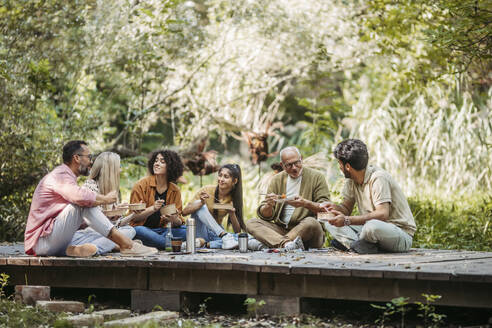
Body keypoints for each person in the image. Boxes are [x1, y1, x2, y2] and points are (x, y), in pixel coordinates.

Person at [24, 140, 157, 257]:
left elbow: (80, 221)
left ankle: (81, 250)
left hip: (59, 241)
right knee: (83, 204)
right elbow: (80, 198)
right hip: (42, 241)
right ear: (76, 158)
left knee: (127, 230)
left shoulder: (69, 178)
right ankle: (127, 245)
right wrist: (105, 199)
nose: (91, 161)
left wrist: (113, 216)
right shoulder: (59, 175)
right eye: (89, 157)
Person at [321, 139, 416, 254]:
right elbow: (346, 209)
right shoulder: (351, 181)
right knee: (330, 223)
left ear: (347, 166)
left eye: (339, 163)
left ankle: (355, 245)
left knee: (371, 226)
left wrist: (346, 220)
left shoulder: (378, 178)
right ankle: (361, 246)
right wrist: (334, 209)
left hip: (399, 234)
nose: (339, 167)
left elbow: (382, 214)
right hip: (370, 233)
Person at [246, 146, 329, 250]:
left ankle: (275, 243)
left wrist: (305, 203)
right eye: (289, 165)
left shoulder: (317, 177)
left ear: (301, 159)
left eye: (297, 163)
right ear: (282, 165)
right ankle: (287, 244)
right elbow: (265, 216)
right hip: (282, 230)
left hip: (307, 232)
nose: (294, 168)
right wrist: (268, 205)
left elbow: (326, 211)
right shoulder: (277, 180)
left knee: (312, 222)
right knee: (251, 223)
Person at [69, 152, 137, 255]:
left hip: (101, 235)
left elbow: (113, 226)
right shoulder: (89, 188)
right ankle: (99, 248)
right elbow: (87, 220)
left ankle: (112, 246)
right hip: (83, 235)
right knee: (121, 234)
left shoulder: (111, 191)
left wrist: (133, 214)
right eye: (118, 167)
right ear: (110, 170)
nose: (120, 170)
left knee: (130, 230)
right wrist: (108, 216)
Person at [129, 150, 187, 249]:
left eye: (162, 162)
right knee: (138, 231)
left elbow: (179, 221)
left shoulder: (175, 190)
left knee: (186, 231)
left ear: (171, 166)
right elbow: (133, 217)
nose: (157, 164)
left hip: (164, 230)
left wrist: (174, 219)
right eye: (156, 161)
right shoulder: (140, 185)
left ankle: (157, 242)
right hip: (143, 229)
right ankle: (175, 245)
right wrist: (153, 208)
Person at [182, 164, 248, 249]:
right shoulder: (207, 190)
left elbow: (237, 231)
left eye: (226, 177)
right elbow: (184, 212)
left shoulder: (233, 198)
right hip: (201, 230)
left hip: (214, 234)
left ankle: (205, 244)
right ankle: (223, 236)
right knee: (199, 203)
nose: (221, 179)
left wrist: (232, 214)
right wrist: (201, 203)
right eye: (220, 175)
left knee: (241, 238)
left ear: (234, 181)